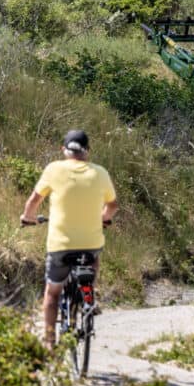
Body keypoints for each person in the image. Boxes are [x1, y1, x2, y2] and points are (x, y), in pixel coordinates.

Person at [20, 130, 118, 347]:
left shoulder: (54, 169)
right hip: (90, 244)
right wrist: (104, 219)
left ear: (63, 149)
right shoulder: (100, 172)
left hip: (60, 246)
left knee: (52, 293)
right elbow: (112, 205)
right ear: (88, 152)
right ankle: (89, 293)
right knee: (93, 258)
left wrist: (28, 217)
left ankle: (48, 341)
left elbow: (34, 200)